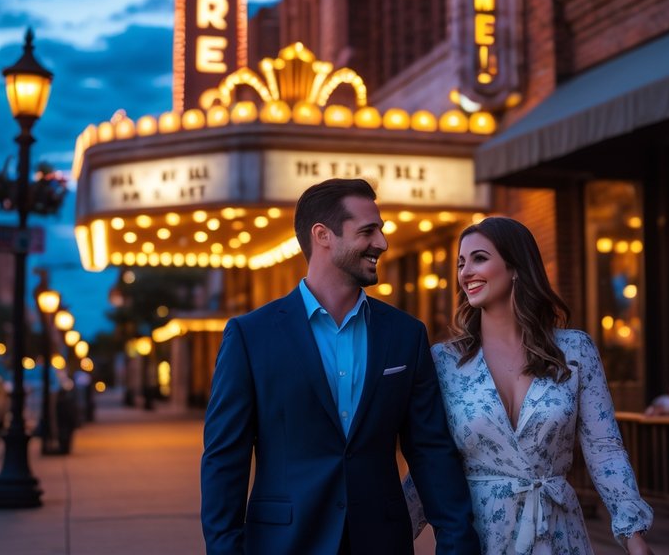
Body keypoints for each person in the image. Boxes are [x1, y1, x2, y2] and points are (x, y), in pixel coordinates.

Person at [200, 178, 481, 555]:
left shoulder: (406, 334)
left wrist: (457, 542)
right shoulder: (250, 336)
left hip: (381, 542)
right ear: (323, 235)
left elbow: (430, 450)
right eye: (368, 231)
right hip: (284, 543)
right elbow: (224, 459)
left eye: (380, 230)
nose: (382, 242)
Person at [414, 216, 653, 554]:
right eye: (461, 263)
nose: (465, 272)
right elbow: (430, 461)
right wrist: (383, 534)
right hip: (478, 536)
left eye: (480, 258)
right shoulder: (444, 361)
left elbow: (604, 448)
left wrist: (633, 533)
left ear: (515, 267)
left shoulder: (574, 350)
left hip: (557, 533)